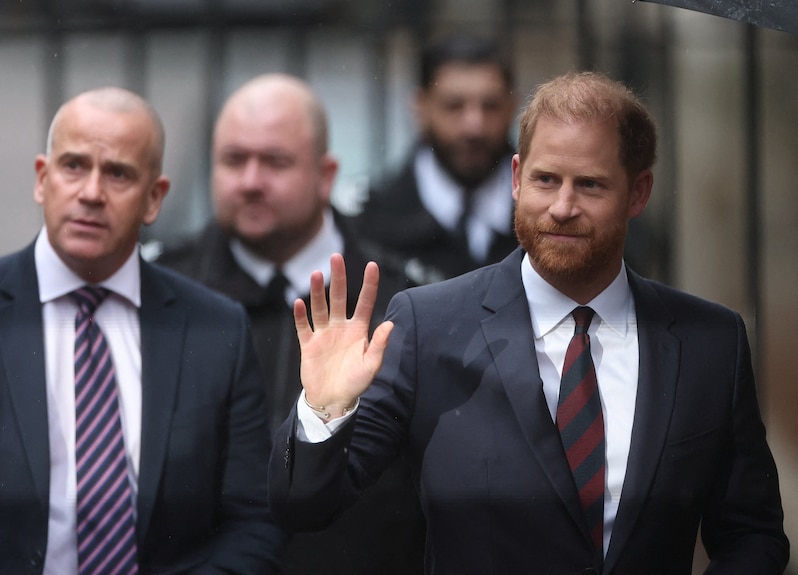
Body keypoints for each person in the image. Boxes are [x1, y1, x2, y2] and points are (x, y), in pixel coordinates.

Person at [268, 71, 790, 574]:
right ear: (517, 178)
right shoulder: (428, 324)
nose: (562, 207)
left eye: (589, 185)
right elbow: (306, 506)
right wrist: (324, 411)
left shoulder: (709, 343)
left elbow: (753, 535)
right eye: (545, 179)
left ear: (638, 193)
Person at [0, 87, 286, 574]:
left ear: (154, 198)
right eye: (73, 166)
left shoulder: (216, 329)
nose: (91, 193)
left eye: (118, 173)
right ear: (43, 179)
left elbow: (252, 519)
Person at [155, 74, 424, 575]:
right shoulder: (160, 291)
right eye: (234, 160)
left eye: (275, 162)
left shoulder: (403, 301)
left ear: (326, 175)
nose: (251, 180)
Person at [353, 33, 519, 285]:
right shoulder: (372, 228)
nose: (474, 126)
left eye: (490, 105)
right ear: (421, 107)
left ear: (512, 106)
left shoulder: (546, 218)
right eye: (454, 106)